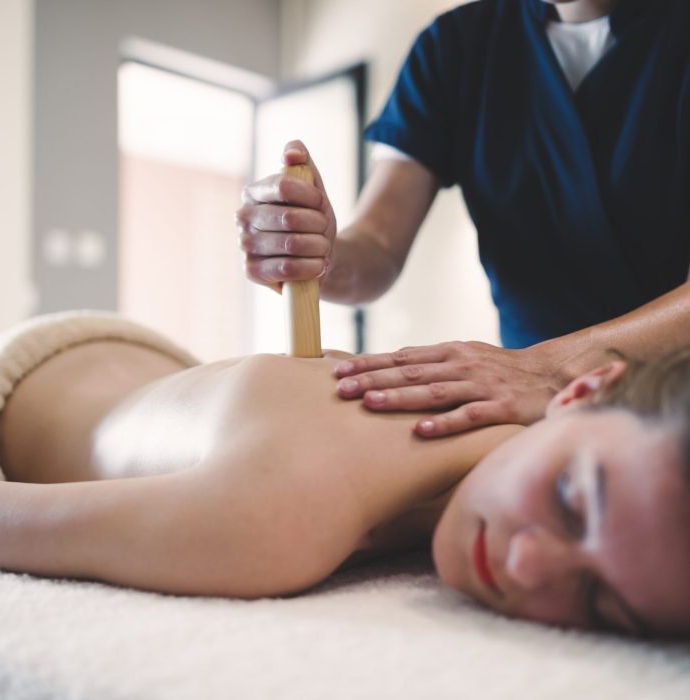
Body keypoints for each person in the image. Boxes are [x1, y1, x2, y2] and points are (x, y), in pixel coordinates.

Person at [0, 311, 689, 637]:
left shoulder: (500, 445)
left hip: (142, 368)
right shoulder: (277, 521)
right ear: (579, 389)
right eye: (568, 501)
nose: (525, 564)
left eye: (597, 602)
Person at [236, 0, 690, 438]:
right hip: (532, 416)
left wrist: (551, 369)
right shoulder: (456, 47)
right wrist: (318, 252)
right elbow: (376, 244)